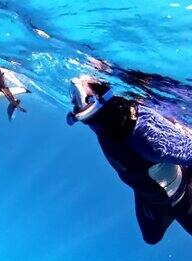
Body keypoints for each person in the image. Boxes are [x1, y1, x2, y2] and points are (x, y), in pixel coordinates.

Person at [67, 74, 192, 244]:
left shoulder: (143, 134)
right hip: (154, 190)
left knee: (152, 236)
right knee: (151, 237)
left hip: (171, 192)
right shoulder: (105, 122)